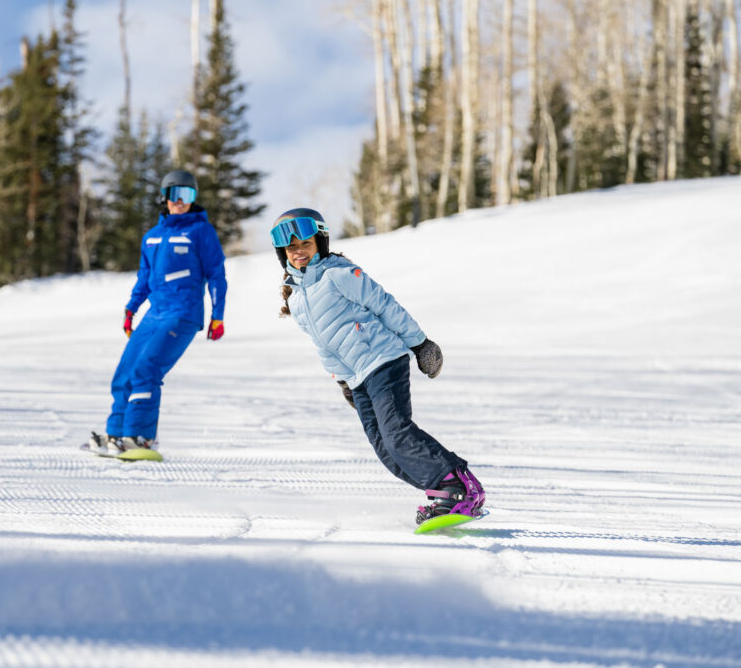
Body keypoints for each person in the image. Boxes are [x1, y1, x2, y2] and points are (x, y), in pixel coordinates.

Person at [270, 208, 485, 525]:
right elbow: (324, 345)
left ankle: (459, 485)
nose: (298, 252)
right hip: (357, 378)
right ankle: (442, 492)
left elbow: (385, 305)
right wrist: (343, 382)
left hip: (383, 360)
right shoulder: (297, 298)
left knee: (397, 433)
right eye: (291, 248)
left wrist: (420, 344)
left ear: (320, 242)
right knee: (386, 449)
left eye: (305, 243)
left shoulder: (338, 273)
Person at [86, 169, 228, 455]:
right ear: (163, 198)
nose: (180, 201)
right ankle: (116, 435)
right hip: (155, 313)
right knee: (124, 372)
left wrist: (218, 314)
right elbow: (144, 278)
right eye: (175, 195)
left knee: (147, 369)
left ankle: (141, 437)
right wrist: (131, 309)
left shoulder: (201, 231)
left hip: (183, 313)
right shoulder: (152, 236)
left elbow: (217, 274)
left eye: (188, 195)